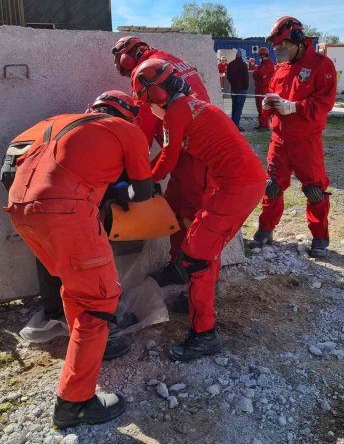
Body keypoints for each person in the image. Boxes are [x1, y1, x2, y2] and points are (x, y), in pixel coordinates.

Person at [4, 91, 153, 428]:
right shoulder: (126, 130)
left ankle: (89, 350)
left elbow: (8, 164)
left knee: (75, 289)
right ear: (127, 114)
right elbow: (143, 192)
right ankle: (75, 403)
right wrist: (115, 192)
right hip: (67, 213)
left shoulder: (52, 122)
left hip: (19, 209)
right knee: (98, 300)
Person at [132, 58, 266, 361]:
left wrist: (143, 182)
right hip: (236, 183)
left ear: (158, 91)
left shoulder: (176, 113)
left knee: (196, 255)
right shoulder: (195, 105)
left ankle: (204, 335)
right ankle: (198, 297)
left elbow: (167, 159)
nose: (147, 104)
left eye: (147, 97)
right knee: (204, 250)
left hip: (236, 186)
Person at [111, 36, 210, 286]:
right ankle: (179, 267)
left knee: (194, 219)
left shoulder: (147, 73)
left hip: (193, 155)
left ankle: (202, 279)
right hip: (186, 148)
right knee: (176, 210)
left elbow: (143, 130)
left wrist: (138, 174)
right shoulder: (168, 61)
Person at [251, 16, 337, 259]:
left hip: (306, 141)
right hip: (279, 140)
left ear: (298, 41)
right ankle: (265, 230)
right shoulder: (280, 69)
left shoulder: (322, 65)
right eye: (276, 48)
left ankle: (320, 238)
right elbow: (271, 97)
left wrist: (296, 107)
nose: (279, 52)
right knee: (272, 187)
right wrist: (269, 105)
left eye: (282, 47)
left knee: (314, 190)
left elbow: (325, 102)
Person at [252, 46, 275, 129]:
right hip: (259, 89)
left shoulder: (269, 64)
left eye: (260, 54)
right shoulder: (262, 64)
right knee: (259, 107)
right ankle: (261, 124)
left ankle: (264, 125)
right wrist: (257, 73)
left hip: (264, 90)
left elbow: (260, 73)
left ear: (262, 55)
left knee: (263, 107)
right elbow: (256, 75)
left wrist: (257, 73)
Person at [226, 51, 249, 130]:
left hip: (233, 89)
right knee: (238, 108)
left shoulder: (230, 64)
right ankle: (236, 125)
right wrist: (245, 87)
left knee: (234, 107)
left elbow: (228, 77)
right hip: (241, 89)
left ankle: (233, 125)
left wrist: (233, 84)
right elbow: (246, 78)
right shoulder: (243, 65)